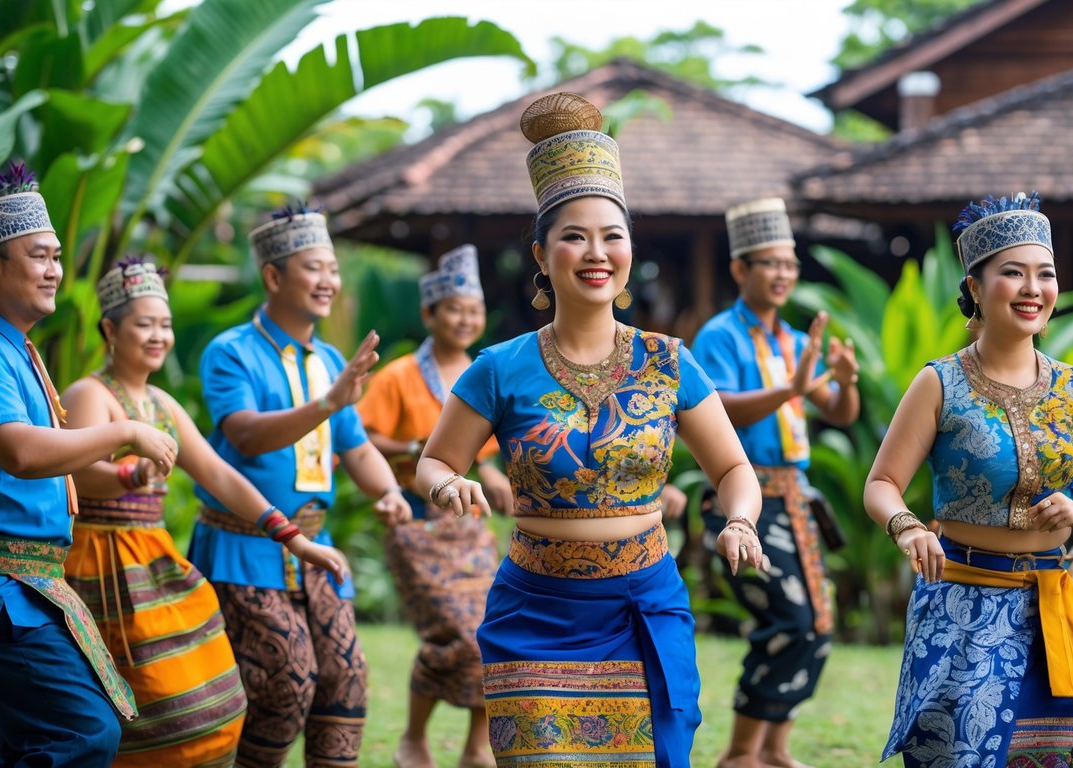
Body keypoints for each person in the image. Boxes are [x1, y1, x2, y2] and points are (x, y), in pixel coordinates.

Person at [416, 91, 768, 768]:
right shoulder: (500, 367)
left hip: (643, 603)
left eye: (612, 236)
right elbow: (435, 461)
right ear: (542, 254)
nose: (596, 251)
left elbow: (732, 469)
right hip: (535, 611)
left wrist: (740, 521)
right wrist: (446, 485)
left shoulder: (669, 361)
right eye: (574, 236)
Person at [864, 192, 1073, 766]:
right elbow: (882, 483)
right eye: (1013, 273)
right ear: (974, 286)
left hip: (1047, 611)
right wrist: (907, 527)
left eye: (1045, 274)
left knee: (1046, 755)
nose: (1032, 288)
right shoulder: (940, 383)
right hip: (960, 608)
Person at [0, 162, 177, 765]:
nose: (55, 271)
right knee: (84, 735)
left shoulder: (12, 349)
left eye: (57, 256)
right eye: (39, 256)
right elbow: (21, 452)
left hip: (25, 590)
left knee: (36, 747)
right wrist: (125, 431)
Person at [61, 257, 347, 766]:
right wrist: (130, 475)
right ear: (110, 329)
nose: (158, 336)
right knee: (154, 708)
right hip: (99, 563)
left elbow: (219, 476)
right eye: (144, 324)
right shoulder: (91, 394)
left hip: (150, 557)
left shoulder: (162, 404)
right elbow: (74, 475)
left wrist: (290, 537)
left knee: (215, 703)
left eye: (165, 324)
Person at [190, 204, 412, 767]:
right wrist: (328, 402)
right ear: (273, 276)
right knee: (285, 679)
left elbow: (356, 447)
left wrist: (387, 491)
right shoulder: (231, 352)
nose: (329, 280)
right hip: (244, 545)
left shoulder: (330, 360)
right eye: (314, 268)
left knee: (346, 679)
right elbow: (244, 436)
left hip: (316, 549)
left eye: (333, 269)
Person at [690, 197, 860, 768]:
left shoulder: (794, 340)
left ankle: (775, 750)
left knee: (816, 624)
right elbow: (716, 408)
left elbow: (838, 412)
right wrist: (791, 388)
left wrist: (844, 381)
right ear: (740, 269)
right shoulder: (720, 335)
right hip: (743, 499)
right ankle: (741, 753)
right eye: (771, 263)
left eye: (790, 264)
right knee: (787, 619)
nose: (784, 274)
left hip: (796, 497)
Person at [356, 243, 512, 768]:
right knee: (454, 634)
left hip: (469, 525)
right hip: (414, 519)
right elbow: (359, 436)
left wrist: (494, 475)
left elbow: (484, 454)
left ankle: (475, 748)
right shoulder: (399, 375)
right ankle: (413, 739)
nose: (466, 319)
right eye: (454, 309)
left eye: (474, 310)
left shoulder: (482, 373)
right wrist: (415, 448)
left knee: (490, 631)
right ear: (429, 314)